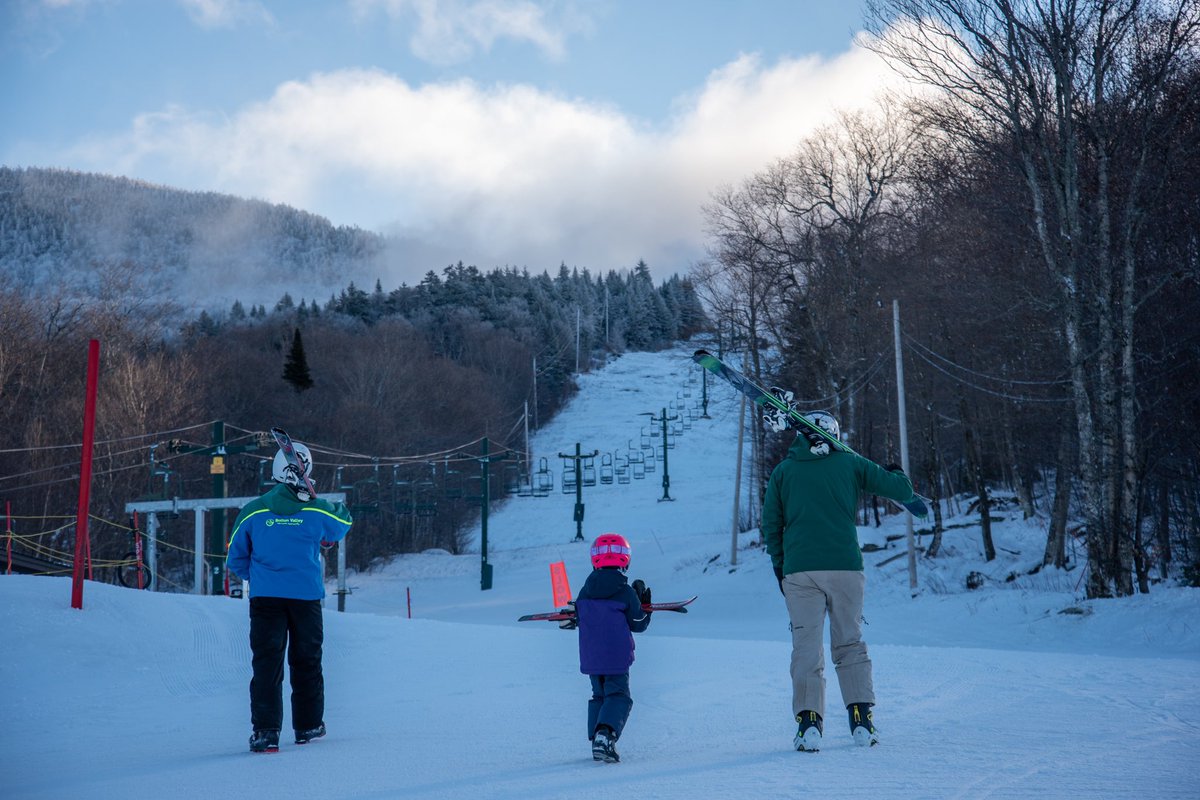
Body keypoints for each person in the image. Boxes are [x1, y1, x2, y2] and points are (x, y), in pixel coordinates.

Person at [760, 410, 916, 753]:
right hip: (846, 568)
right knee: (849, 642)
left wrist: (780, 566)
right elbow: (901, 491)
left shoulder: (784, 471)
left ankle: (808, 723)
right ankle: (861, 720)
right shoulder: (851, 464)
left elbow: (771, 524)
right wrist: (896, 473)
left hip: (800, 571)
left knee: (806, 646)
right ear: (836, 436)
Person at [226, 439, 353, 753]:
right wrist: (315, 499)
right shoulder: (314, 509)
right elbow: (344, 521)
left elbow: (235, 558)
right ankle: (308, 725)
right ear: (306, 471)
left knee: (267, 664)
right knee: (306, 661)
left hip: (265, 599)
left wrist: (259, 578)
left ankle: (265, 732)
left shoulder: (252, 510)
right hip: (305, 598)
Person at [566, 532, 653, 763]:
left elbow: (581, 617)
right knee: (619, 696)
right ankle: (605, 736)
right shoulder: (624, 591)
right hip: (616, 657)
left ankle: (598, 738)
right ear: (625, 559)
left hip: (592, 658)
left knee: (600, 695)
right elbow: (638, 623)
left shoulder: (584, 591)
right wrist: (643, 603)